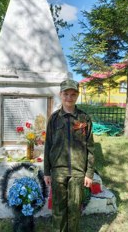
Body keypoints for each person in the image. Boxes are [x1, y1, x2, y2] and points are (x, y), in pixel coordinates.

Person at [44, 79, 95, 232]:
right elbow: (48, 145)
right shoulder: (54, 119)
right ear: (60, 95)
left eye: (73, 94)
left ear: (77, 95)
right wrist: (47, 171)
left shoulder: (84, 119)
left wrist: (89, 173)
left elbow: (90, 148)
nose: (69, 97)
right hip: (59, 171)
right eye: (66, 94)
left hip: (78, 172)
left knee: (74, 210)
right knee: (59, 210)